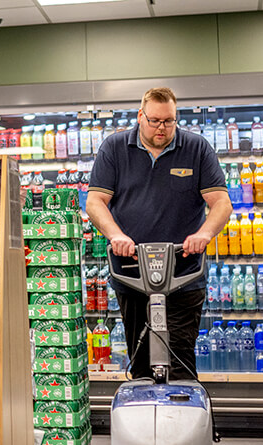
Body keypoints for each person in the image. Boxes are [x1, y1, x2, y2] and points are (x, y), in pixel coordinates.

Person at [86, 87, 232, 380]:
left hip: (184, 274)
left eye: (169, 121)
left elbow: (221, 203)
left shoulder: (196, 148)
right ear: (141, 116)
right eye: (154, 121)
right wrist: (116, 236)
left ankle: (181, 407)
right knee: (140, 361)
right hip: (131, 272)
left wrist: (204, 234)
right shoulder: (114, 148)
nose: (162, 128)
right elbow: (95, 202)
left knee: (180, 360)